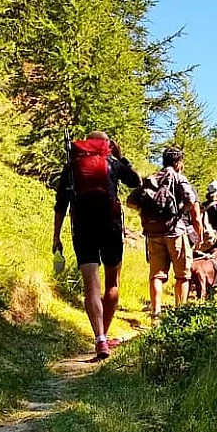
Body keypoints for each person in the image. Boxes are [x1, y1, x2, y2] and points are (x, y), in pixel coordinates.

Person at [53, 131, 140, 361]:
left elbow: (61, 205)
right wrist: (121, 158)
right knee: (112, 283)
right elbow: (136, 182)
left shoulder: (71, 167)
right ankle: (105, 333)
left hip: (82, 228)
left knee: (91, 285)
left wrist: (56, 237)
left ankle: (100, 338)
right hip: (110, 227)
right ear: (106, 145)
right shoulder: (112, 162)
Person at [134, 146, 200, 318]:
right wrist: (179, 211)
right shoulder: (179, 178)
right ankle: (179, 313)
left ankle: (155, 313)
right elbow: (191, 201)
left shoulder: (151, 178)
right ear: (178, 162)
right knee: (182, 275)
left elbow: (131, 201)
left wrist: (144, 213)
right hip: (175, 231)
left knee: (156, 275)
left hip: (153, 233)